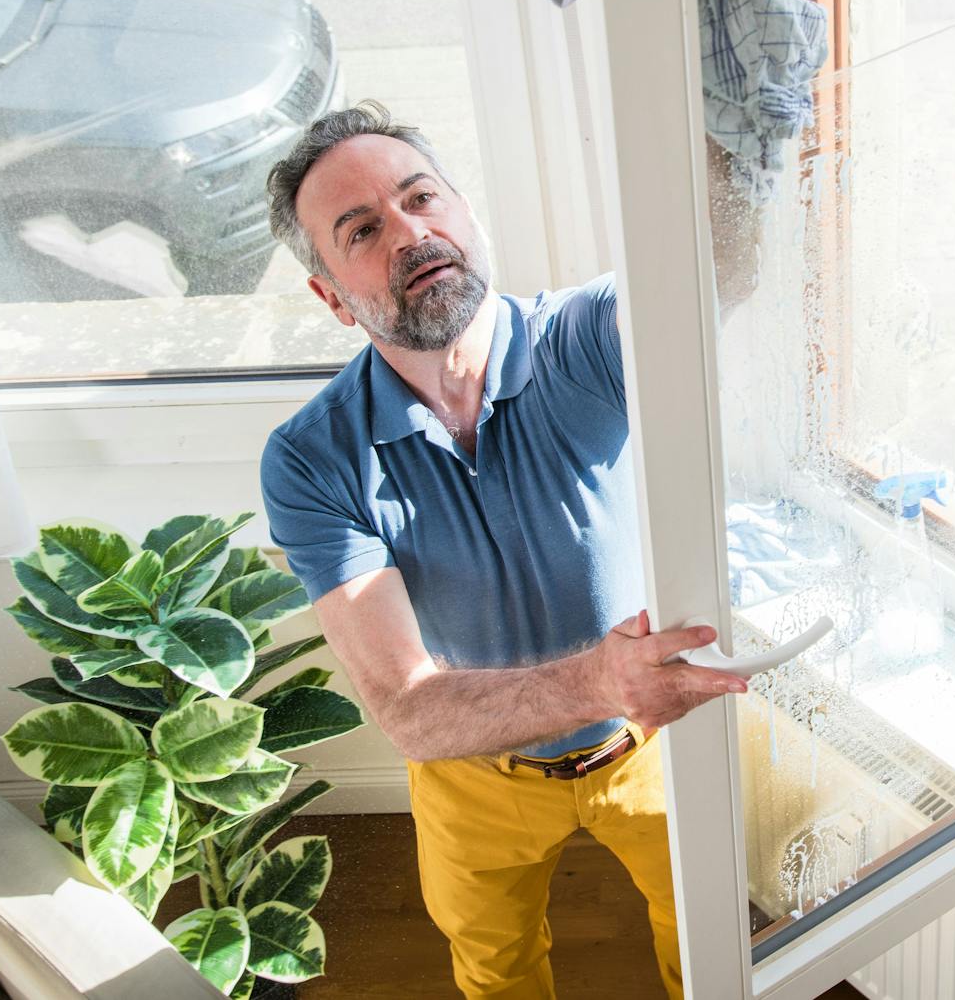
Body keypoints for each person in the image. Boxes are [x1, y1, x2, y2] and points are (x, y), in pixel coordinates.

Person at [258, 101, 750, 1000]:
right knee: (496, 973)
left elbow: (728, 268)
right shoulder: (311, 458)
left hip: (650, 745)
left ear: (467, 214)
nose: (411, 233)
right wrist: (602, 678)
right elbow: (409, 711)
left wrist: (736, 102)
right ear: (331, 296)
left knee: (712, 952)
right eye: (363, 229)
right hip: (473, 774)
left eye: (421, 198)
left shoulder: (589, 336)